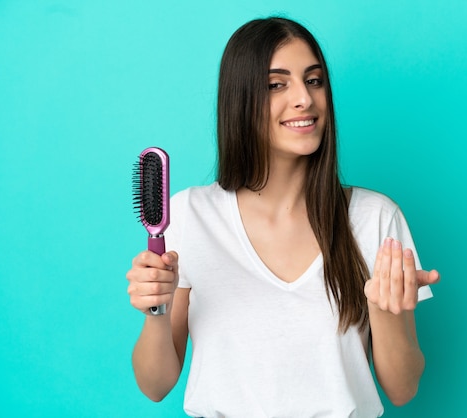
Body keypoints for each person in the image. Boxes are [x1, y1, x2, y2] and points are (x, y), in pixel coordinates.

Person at [126, 16, 440, 417]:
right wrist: (157, 310)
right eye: (277, 84)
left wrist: (384, 309)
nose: (304, 99)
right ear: (240, 100)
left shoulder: (375, 217)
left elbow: (402, 389)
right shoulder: (189, 215)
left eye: (314, 80)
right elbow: (155, 386)